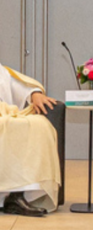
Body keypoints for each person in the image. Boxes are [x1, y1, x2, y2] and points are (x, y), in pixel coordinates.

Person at [0, 63, 61, 217]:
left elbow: (18, 84)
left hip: (5, 113)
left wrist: (35, 94)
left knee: (38, 125)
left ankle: (16, 197)